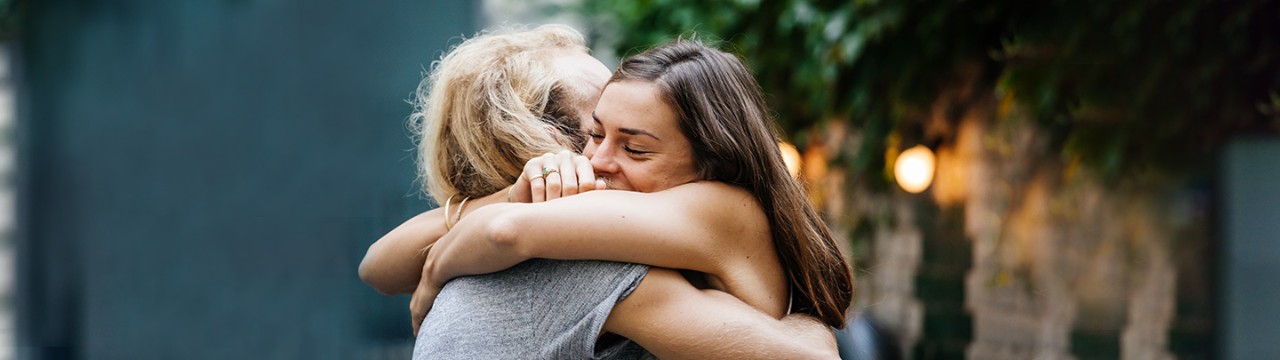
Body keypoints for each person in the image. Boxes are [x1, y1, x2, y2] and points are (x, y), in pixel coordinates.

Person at [359, 25, 841, 358]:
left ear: (711, 155)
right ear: (541, 142)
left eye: (634, 145)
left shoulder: (706, 208)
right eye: (594, 131)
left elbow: (501, 231)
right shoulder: (579, 253)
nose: (597, 159)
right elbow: (379, 263)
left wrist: (434, 272)